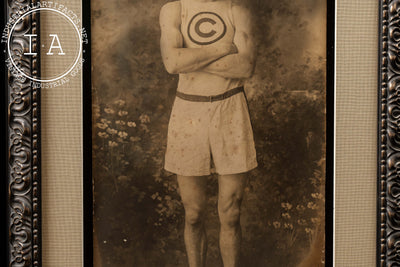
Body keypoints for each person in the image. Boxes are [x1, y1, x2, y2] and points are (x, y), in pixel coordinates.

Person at [160, 0, 257, 266]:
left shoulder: (237, 10)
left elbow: (245, 67)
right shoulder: (174, 9)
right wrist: (222, 48)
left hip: (231, 109)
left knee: (231, 213)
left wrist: (190, 58)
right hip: (188, 111)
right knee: (193, 212)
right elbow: (171, 62)